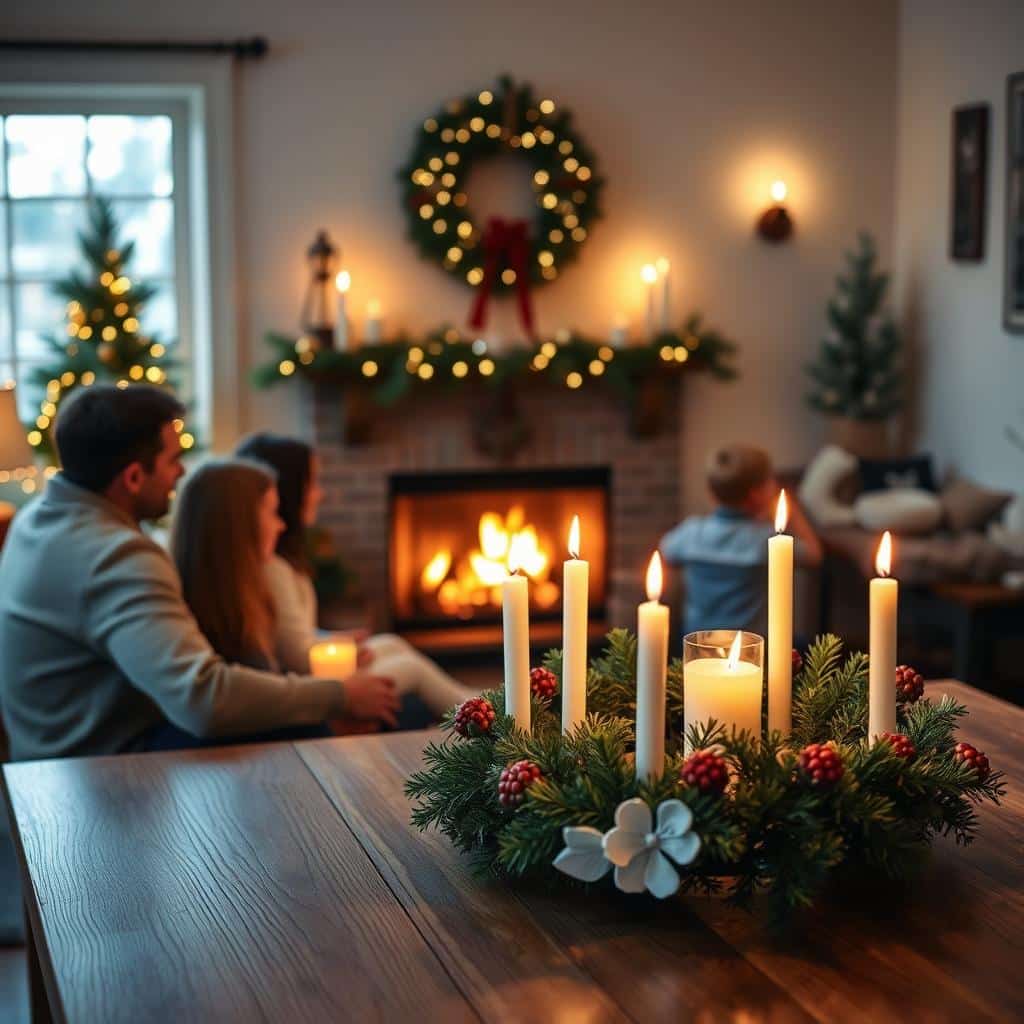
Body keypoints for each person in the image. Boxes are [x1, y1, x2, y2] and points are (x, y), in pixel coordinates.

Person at [0, 385, 398, 762]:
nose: (181, 473)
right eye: (173, 460)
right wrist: (339, 695)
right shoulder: (115, 556)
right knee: (315, 735)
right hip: (99, 764)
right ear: (134, 477)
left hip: (46, 749)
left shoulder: (37, 519)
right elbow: (204, 699)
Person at [235, 432, 472, 716]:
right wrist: (343, 653)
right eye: (312, 483)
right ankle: (471, 711)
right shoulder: (273, 569)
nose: (319, 494)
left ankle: (470, 701)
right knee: (411, 669)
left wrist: (339, 641)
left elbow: (291, 634)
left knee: (391, 643)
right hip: (314, 685)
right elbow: (296, 656)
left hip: (315, 674)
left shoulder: (281, 564)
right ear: (291, 491)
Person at [659, 443, 822, 636]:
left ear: (711, 493)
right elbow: (814, 554)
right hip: (749, 648)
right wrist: (790, 508)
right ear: (756, 494)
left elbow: (666, 551)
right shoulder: (765, 540)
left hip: (699, 643)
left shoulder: (691, 533)